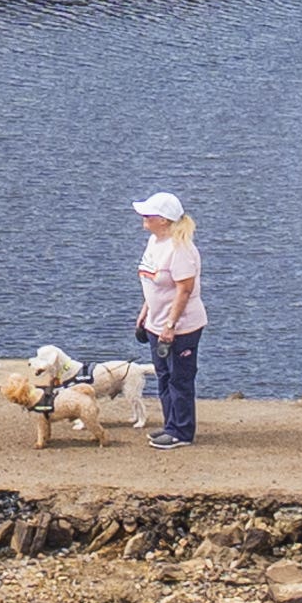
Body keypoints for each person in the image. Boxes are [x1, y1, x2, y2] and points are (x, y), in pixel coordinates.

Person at [131, 191, 204, 449]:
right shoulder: (154, 242)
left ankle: (182, 432)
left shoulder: (181, 249)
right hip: (155, 321)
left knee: (179, 378)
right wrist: (146, 311)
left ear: (163, 220)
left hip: (181, 326)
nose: (143, 217)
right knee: (163, 376)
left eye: (149, 214)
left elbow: (183, 290)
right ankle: (171, 424)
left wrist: (170, 325)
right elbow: (152, 281)